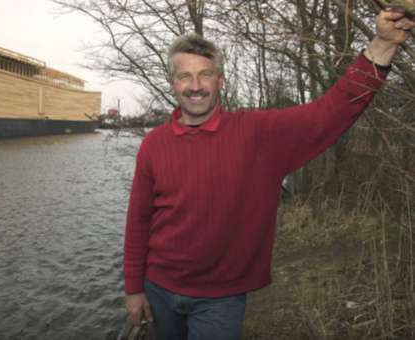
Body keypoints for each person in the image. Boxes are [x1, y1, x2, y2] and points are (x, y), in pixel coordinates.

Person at [123, 6, 414, 340]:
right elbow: (138, 222)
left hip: (220, 300)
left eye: (205, 74)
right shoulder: (153, 144)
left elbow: (333, 110)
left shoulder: (258, 135)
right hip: (158, 289)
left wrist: (383, 44)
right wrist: (134, 289)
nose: (195, 86)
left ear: (221, 80)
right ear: (172, 83)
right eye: (184, 76)